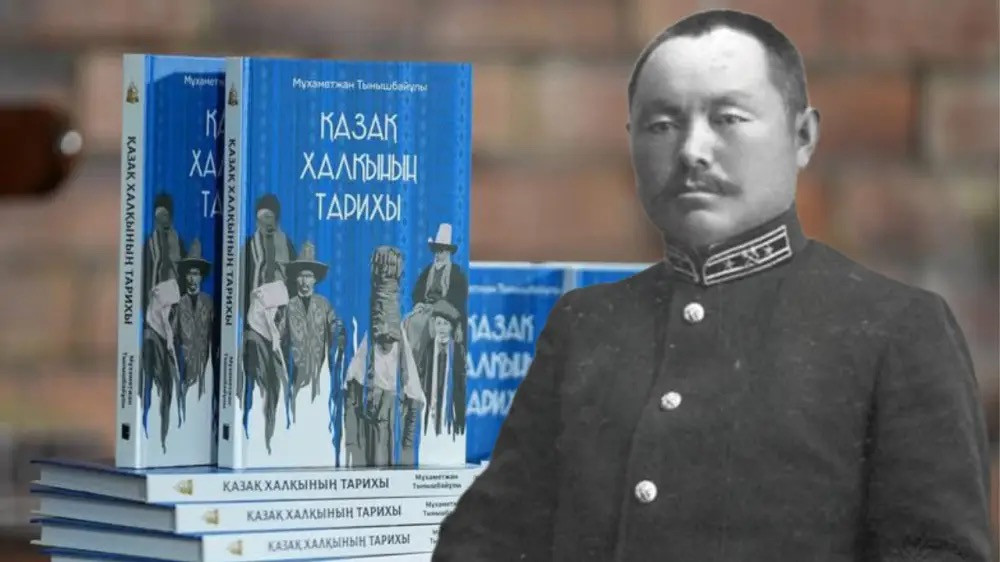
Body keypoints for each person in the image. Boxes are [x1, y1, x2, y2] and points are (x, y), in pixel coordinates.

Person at [434, 9, 992, 561]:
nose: (692, 151)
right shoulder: (586, 325)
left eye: (728, 118)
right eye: (661, 125)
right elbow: (485, 541)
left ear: (803, 136)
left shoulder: (894, 328)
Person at [285, 241, 346, 420]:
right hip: (295, 378)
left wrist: (339, 332)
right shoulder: (288, 307)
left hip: (320, 377)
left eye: (309, 276)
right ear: (296, 279)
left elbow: (335, 329)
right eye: (301, 276)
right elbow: (278, 339)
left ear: (315, 280)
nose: (305, 281)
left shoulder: (323, 305)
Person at [176, 238, 214, 410]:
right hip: (184, 364)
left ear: (201, 276)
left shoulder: (208, 302)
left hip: (205, 363)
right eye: (189, 274)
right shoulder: (178, 304)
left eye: (196, 273)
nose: (192, 278)